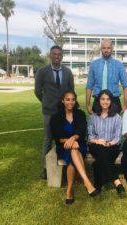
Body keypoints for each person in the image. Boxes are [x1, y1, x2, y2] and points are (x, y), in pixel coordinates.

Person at [50, 91, 99, 204]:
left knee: (73, 152)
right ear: (63, 100)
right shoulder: (56, 117)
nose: (70, 102)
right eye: (67, 99)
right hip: (63, 146)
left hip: (79, 144)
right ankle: (87, 183)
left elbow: (82, 132)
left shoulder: (80, 114)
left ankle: (69, 191)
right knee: (72, 153)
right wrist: (69, 141)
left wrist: (73, 139)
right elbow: (57, 137)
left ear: (75, 100)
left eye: (73, 99)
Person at [34, 45, 74, 179]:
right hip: (49, 112)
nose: (57, 56)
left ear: (62, 56)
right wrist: (46, 101)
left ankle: (66, 163)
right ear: (50, 55)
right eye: (54, 54)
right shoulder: (42, 71)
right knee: (48, 139)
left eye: (59, 54)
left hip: (64, 112)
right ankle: (45, 169)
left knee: (64, 138)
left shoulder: (68, 72)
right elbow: (37, 91)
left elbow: (70, 91)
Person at [88, 89, 126, 196]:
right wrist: (97, 141)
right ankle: (117, 182)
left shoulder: (117, 117)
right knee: (100, 149)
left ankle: (98, 185)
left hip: (112, 146)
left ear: (111, 101)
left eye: (108, 99)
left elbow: (118, 138)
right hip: (96, 145)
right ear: (98, 100)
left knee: (98, 162)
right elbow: (90, 136)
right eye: (102, 99)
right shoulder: (93, 116)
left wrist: (108, 143)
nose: (105, 102)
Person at [86, 39, 127, 114]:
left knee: (115, 125)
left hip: (114, 101)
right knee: (97, 125)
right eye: (104, 48)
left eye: (108, 48)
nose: (106, 50)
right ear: (101, 49)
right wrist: (88, 104)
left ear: (112, 49)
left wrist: (125, 104)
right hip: (98, 101)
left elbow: (125, 86)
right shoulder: (93, 64)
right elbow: (89, 86)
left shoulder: (119, 65)